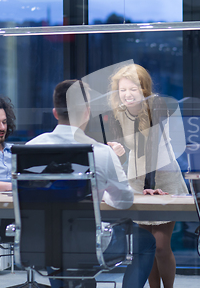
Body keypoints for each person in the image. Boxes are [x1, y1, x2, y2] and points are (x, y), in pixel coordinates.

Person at [27, 79, 156, 288]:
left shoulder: (30, 149)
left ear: (55, 112)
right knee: (147, 242)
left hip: (41, 244)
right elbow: (123, 201)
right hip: (89, 244)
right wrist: (103, 188)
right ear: (87, 111)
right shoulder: (102, 152)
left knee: (55, 238)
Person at [107, 64, 188, 288]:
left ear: (143, 89)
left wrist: (149, 186)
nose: (127, 95)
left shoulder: (156, 104)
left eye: (132, 89)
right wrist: (114, 150)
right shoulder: (118, 111)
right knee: (145, 247)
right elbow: (119, 146)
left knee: (161, 246)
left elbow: (151, 148)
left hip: (162, 177)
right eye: (122, 90)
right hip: (135, 179)